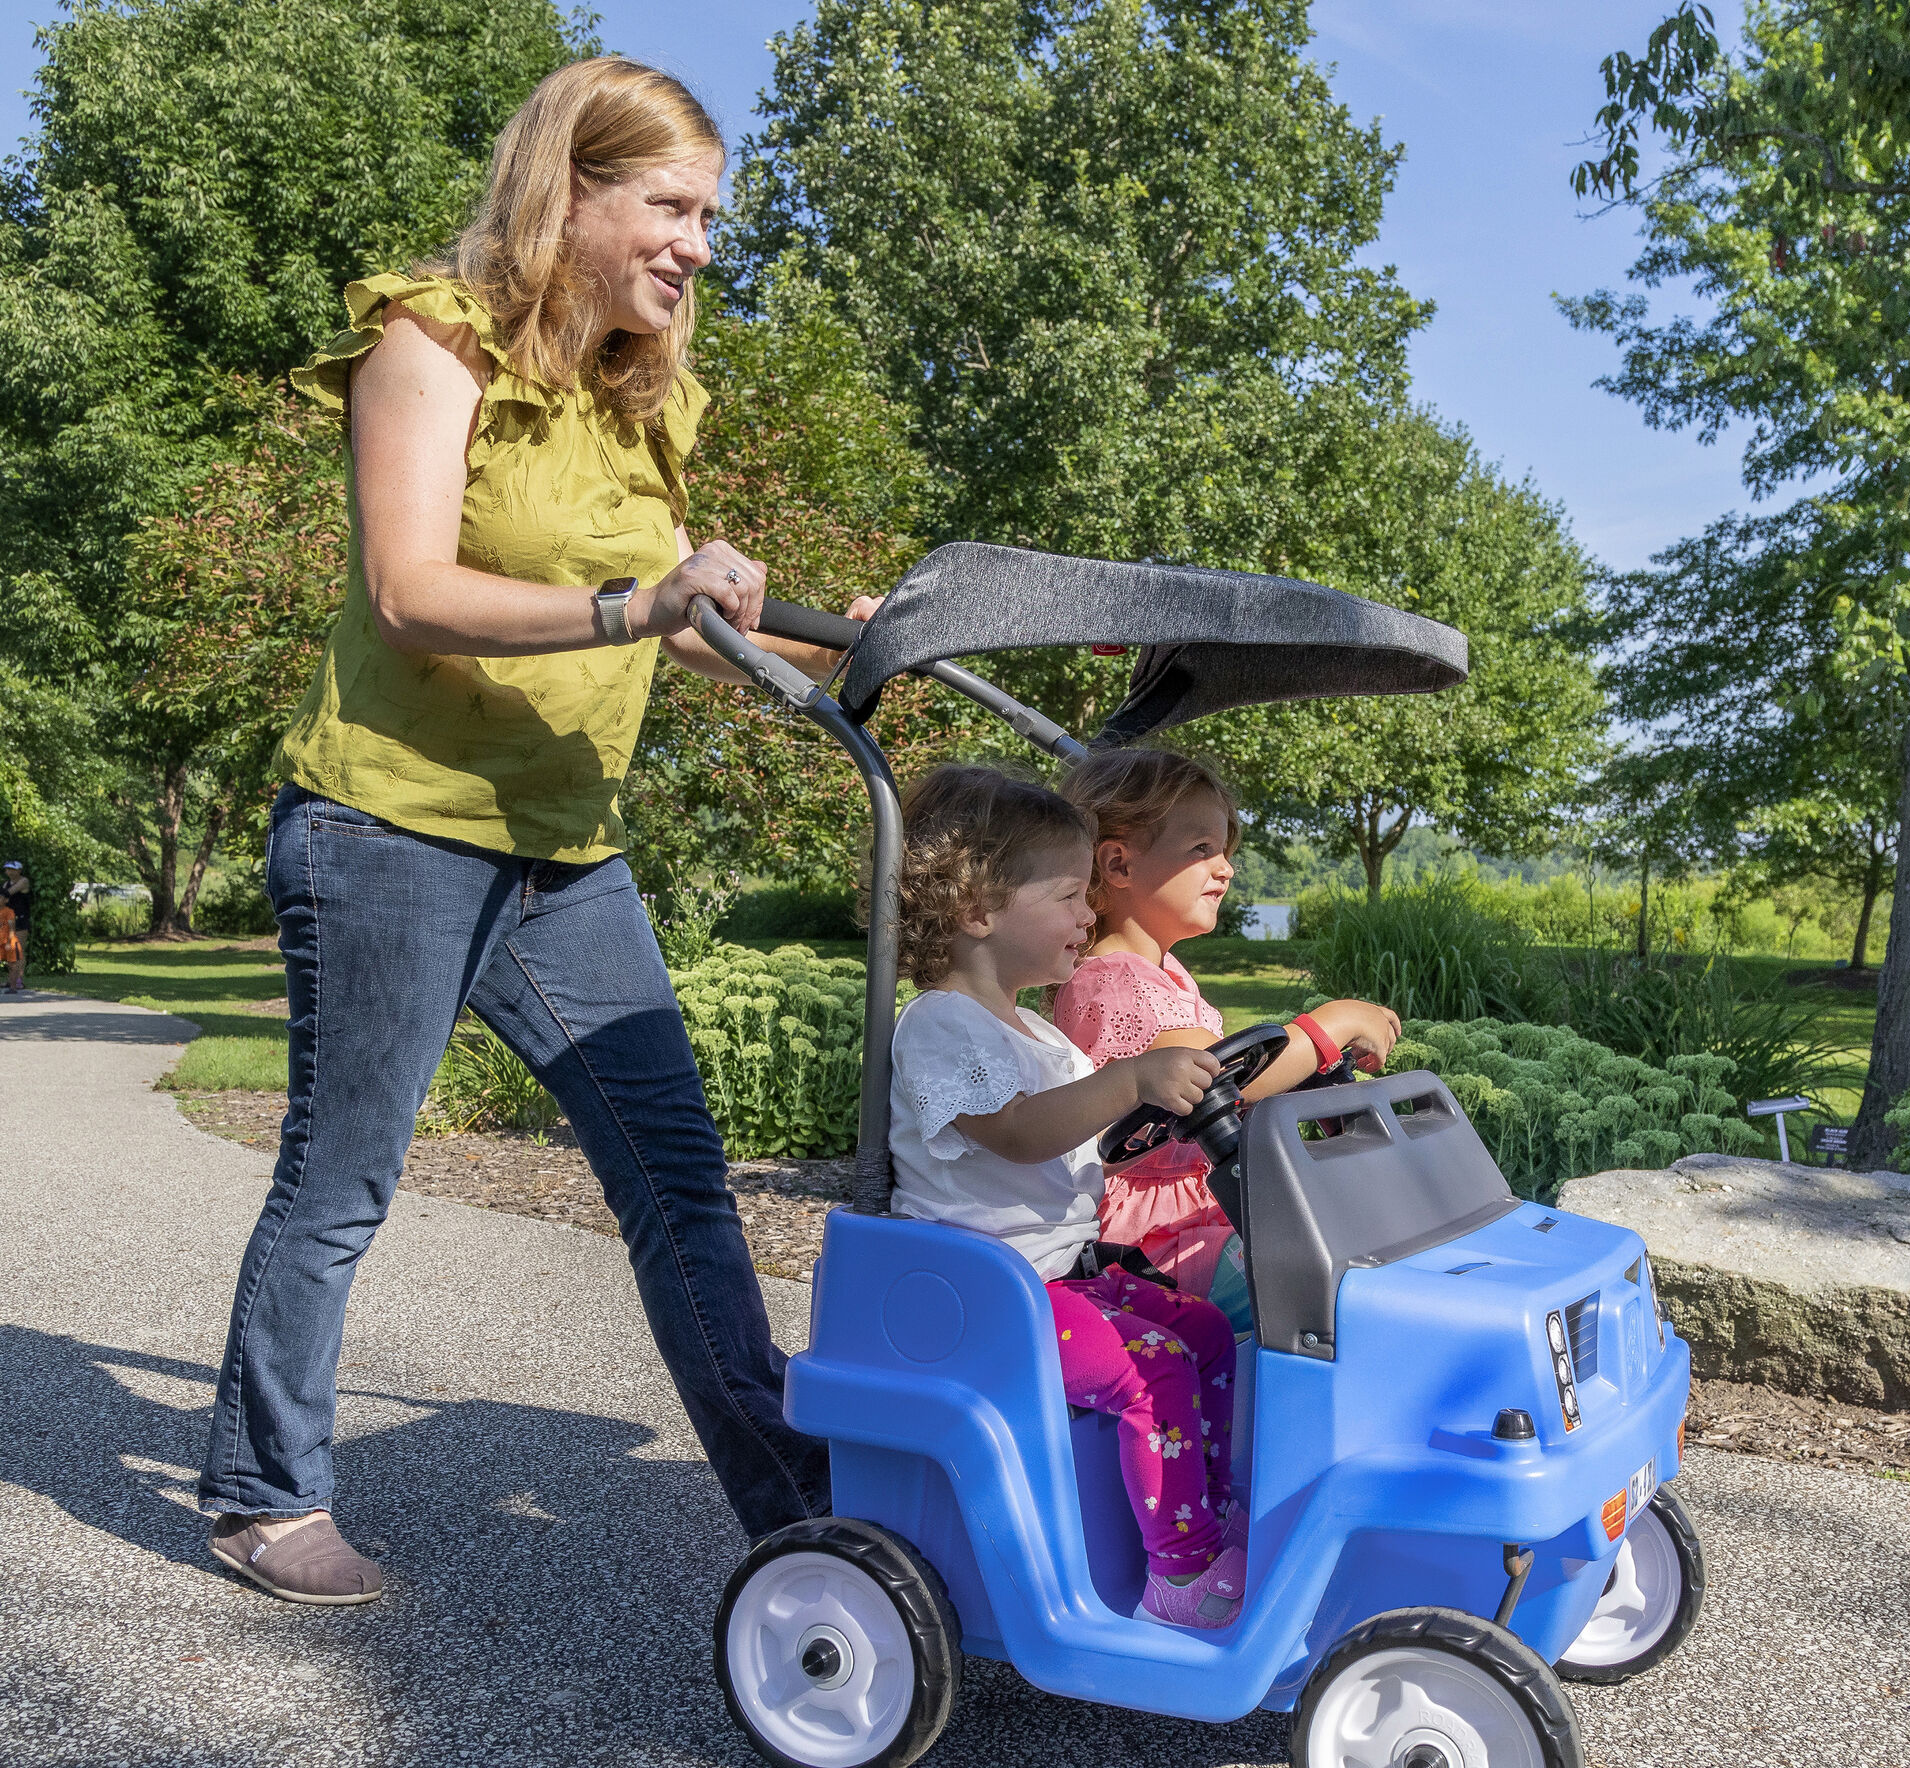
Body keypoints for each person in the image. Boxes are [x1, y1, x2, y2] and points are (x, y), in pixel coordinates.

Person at [199, 57, 865, 1607]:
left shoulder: (643, 394)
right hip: (390, 828)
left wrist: (854, 644)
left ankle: (794, 1505)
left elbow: (684, 635)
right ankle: (260, 1492)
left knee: (678, 1180)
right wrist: (644, 598)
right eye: (673, 206)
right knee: (341, 1180)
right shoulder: (432, 342)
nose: (700, 243)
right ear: (571, 189)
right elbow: (410, 592)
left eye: (712, 216)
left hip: (565, 852)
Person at [887, 765, 1248, 1629]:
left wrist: (1153, 1105)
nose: (1090, 916)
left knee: (1200, 1328)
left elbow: (1092, 1134)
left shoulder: (1038, 1031)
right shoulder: (939, 1023)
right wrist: (1129, 1080)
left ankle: (1211, 1508)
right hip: (983, 1295)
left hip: (1056, 1277)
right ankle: (1178, 1573)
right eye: (1069, 897)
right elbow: (1018, 1131)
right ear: (979, 909)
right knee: (1149, 1369)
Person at [1053, 749, 1401, 1333]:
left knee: (1361, 1244)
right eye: (1202, 850)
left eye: (1225, 851)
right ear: (1118, 864)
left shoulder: (1165, 971)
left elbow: (1239, 1077)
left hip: (1212, 1193)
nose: (1226, 868)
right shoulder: (1109, 980)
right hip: (1156, 1231)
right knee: (1334, 1290)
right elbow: (1208, 1073)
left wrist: (1310, 1070)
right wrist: (1330, 1025)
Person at [1, 862, 29, 993]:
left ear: (19, 870)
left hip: (21, 920)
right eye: (8, 869)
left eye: (13, 869)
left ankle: (19, 980)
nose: (10, 872)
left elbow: (8, 893)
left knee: (19, 950)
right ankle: (10, 980)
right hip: (9, 921)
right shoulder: (6, 883)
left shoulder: (23, 881)